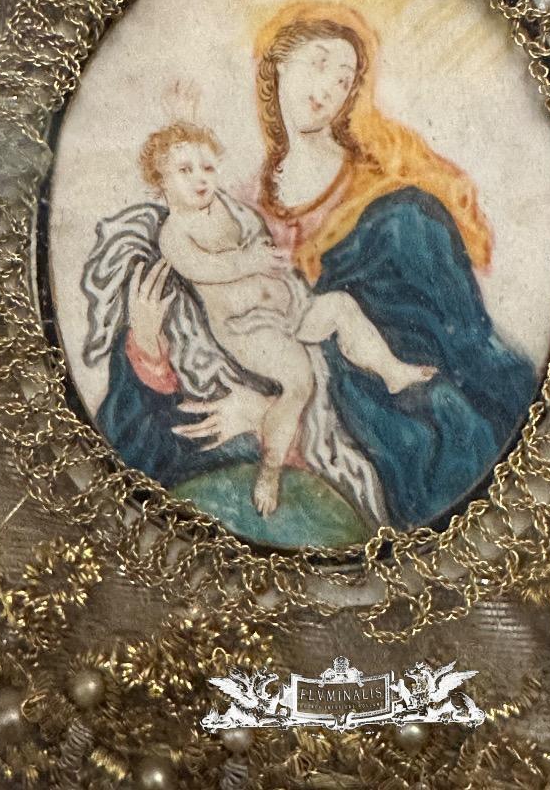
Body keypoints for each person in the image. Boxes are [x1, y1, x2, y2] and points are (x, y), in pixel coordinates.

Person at [116, 2, 538, 539]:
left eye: (343, 80)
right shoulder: (236, 200)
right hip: (270, 362)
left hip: (377, 414)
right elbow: (192, 326)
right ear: (276, 66)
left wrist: (269, 409)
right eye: (317, 64)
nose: (328, 88)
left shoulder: (392, 207)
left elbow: (447, 344)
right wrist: (148, 348)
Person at [137, 120, 435, 516]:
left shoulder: (223, 204)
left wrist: (270, 255)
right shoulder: (174, 234)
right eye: (184, 170)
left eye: (207, 167)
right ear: (160, 180)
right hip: (249, 328)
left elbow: (255, 232)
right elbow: (206, 268)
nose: (200, 178)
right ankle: (271, 469)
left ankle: (391, 370)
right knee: (298, 382)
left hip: (289, 306)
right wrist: (251, 261)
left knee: (341, 306)